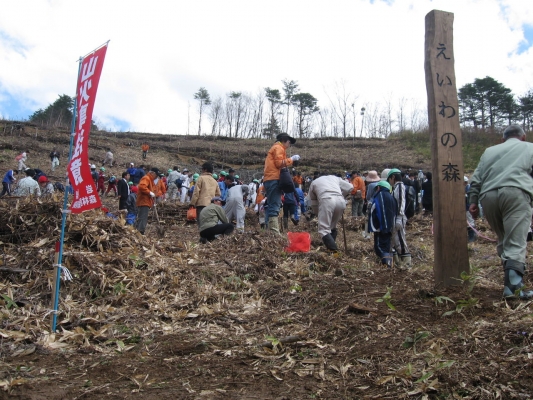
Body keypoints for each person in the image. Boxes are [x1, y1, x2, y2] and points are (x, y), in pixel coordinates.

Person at [468, 124, 533, 299]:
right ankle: (513, 287)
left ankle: (512, 282)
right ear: (523, 137)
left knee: (504, 238)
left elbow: (477, 179)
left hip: (488, 196)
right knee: (516, 240)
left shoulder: (489, 151)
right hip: (516, 192)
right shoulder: (529, 147)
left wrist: (473, 201)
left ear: (502, 139)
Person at [263, 133, 300, 233]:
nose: (289, 145)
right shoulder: (279, 148)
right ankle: (274, 232)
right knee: (275, 206)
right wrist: (291, 159)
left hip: (269, 179)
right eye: (289, 142)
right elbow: (279, 163)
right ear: (284, 140)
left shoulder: (274, 148)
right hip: (274, 179)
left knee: (271, 205)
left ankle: (268, 230)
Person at [308, 173, 353, 252]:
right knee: (332, 226)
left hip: (327, 200)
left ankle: (333, 249)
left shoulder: (314, 182)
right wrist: (342, 194)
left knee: (323, 229)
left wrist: (317, 213)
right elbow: (350, 187)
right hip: (340, 201)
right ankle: (331, 248)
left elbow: (312, 202)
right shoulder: (334, 178)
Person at [369, 181, 396, 268]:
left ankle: (387, 264)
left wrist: (373, 226)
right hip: (390, 226)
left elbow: (375, 210)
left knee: (379, 246)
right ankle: (389, 263)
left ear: (379, 188)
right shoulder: (391, 197)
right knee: (386, 245)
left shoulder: (379, 196)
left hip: (380, 227)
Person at [387, 168, 411, 267]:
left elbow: (401, 202)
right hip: (396, 217)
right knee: (394, 240)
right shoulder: (396, 187)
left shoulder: (400, 186)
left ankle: (406, 263)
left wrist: (399, 216)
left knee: (400, 239)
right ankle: (397, 262)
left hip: (399, 217)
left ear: (393, 177)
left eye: (389, 179)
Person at [135, 167, 158, 235]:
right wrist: (149, 192)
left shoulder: (150, 180)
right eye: (156, 175)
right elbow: (142, 187)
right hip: (143, 201)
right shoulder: (146, 178)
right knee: (142, 218)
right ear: (152, 173)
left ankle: (139, 231)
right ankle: (140, 232)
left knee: (142, 217)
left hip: (146, 201)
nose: (156, 177)